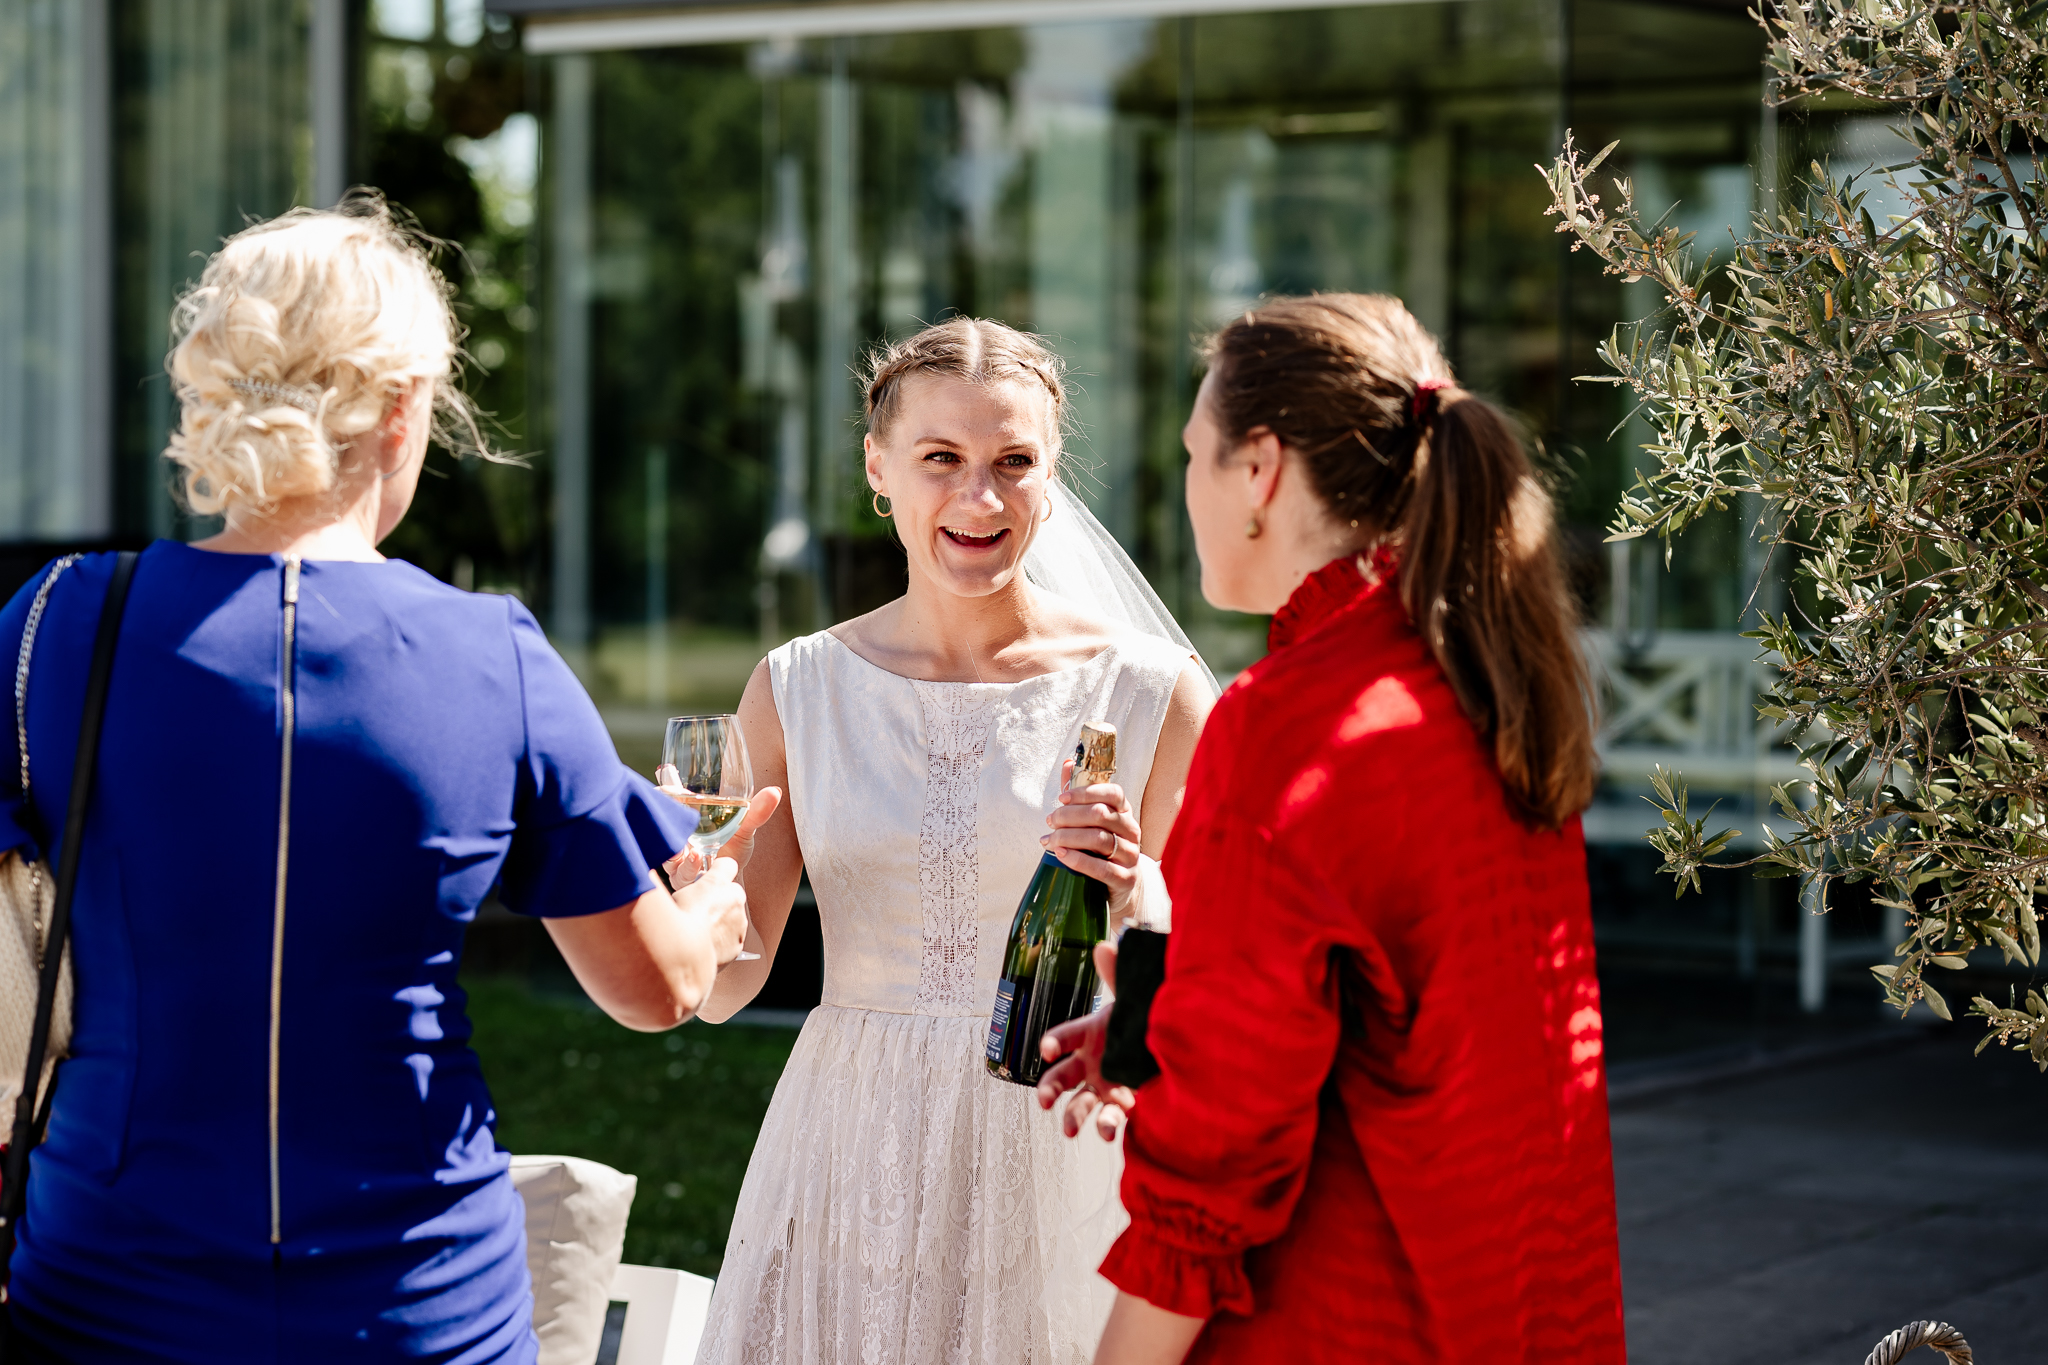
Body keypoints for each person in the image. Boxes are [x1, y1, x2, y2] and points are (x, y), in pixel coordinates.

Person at [0, 196, 755, 1363]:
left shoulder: (54, 625)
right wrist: (705, 915)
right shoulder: (496, 655)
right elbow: (654, 992)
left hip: (107, 1289)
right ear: (406, 410)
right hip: (418, 1305)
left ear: (213, 390)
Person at [1036, 294, 1626, 1364]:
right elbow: (1398, 1010)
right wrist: (1163, 1023)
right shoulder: (1482, 684)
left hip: (1347, 1313)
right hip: (1523, 1304)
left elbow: (1211, 1172)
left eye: (1191, 455)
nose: (1183, 490)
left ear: (1257, 470)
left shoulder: (1286, 727)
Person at [690, 318, 1213, 1365]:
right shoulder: (798, 688)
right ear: (877, 468)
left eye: (1012, 464)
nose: (979, 500)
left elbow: (1207, 997)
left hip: (1059, 1138)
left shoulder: (1149, 691)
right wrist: (687, 894)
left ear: (1051, 476)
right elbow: (722, 987)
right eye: (941, 460)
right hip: (847, 1139)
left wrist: (1133, 890)